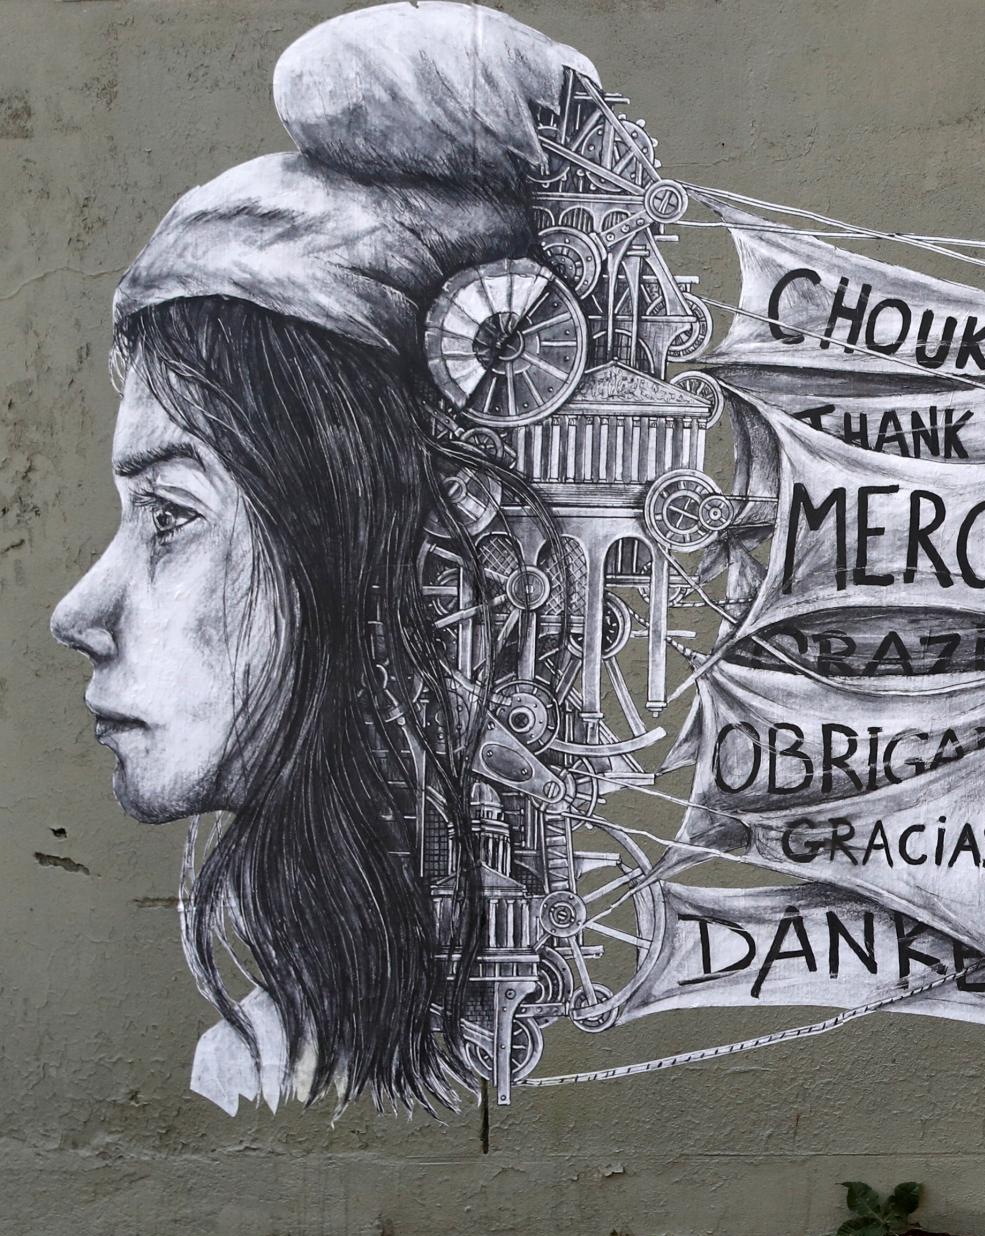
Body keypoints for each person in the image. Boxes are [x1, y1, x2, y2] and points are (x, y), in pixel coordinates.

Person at [49, 3, 592, 1111]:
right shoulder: (267, 1052)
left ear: (372, 543)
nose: (77, 610)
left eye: (170, 516)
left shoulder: (283, 1066)